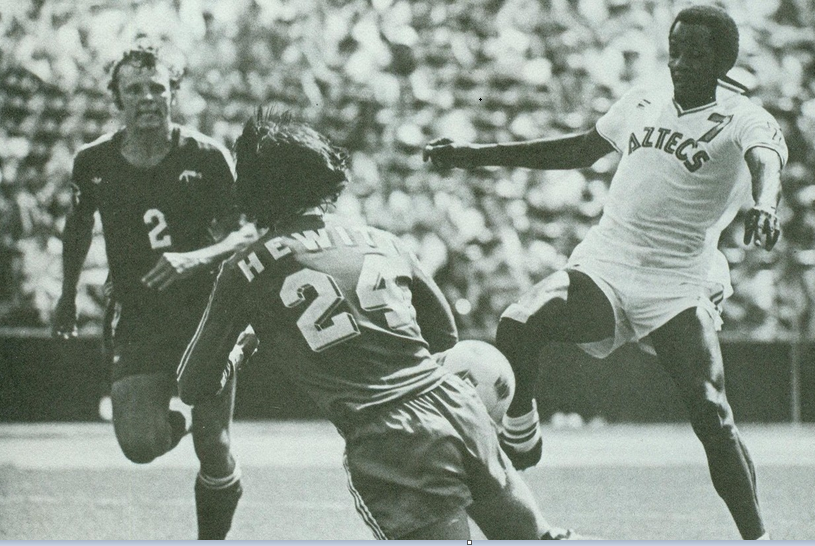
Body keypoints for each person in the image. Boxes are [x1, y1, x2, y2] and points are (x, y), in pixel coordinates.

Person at [423, 5, 786, 540]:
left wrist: (766, 204)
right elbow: (578, 149)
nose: (681, 61)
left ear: (723, 60)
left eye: (697, 52)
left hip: (677, 282)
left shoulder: (743, 115)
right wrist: (476, 155)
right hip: (607, 261)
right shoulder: (644, 97)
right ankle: (522, 432)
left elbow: (766, 161)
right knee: (519, 323)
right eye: (676, 48)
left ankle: (758, 538)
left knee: (712, 413)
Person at [176, 109, 585, 540]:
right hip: (455, 406)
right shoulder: (384, 240)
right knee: (537, 537)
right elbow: (444, 335)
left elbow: (193, 385)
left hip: (387, 436)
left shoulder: (246, 268)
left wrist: (242, 350)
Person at [51, 39, 257, 540]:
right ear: (117, 98)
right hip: (138, 314)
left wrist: (197, 257)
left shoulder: (206, 156)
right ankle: (175, 422)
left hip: (205, 313)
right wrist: (67, 295)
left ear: (173, 93)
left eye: (157, 87)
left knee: (214, 444)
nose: (147, 97)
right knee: (140, 445)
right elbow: (78, 228)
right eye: (134, 88)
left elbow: (248, 231)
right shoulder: (93, 161)